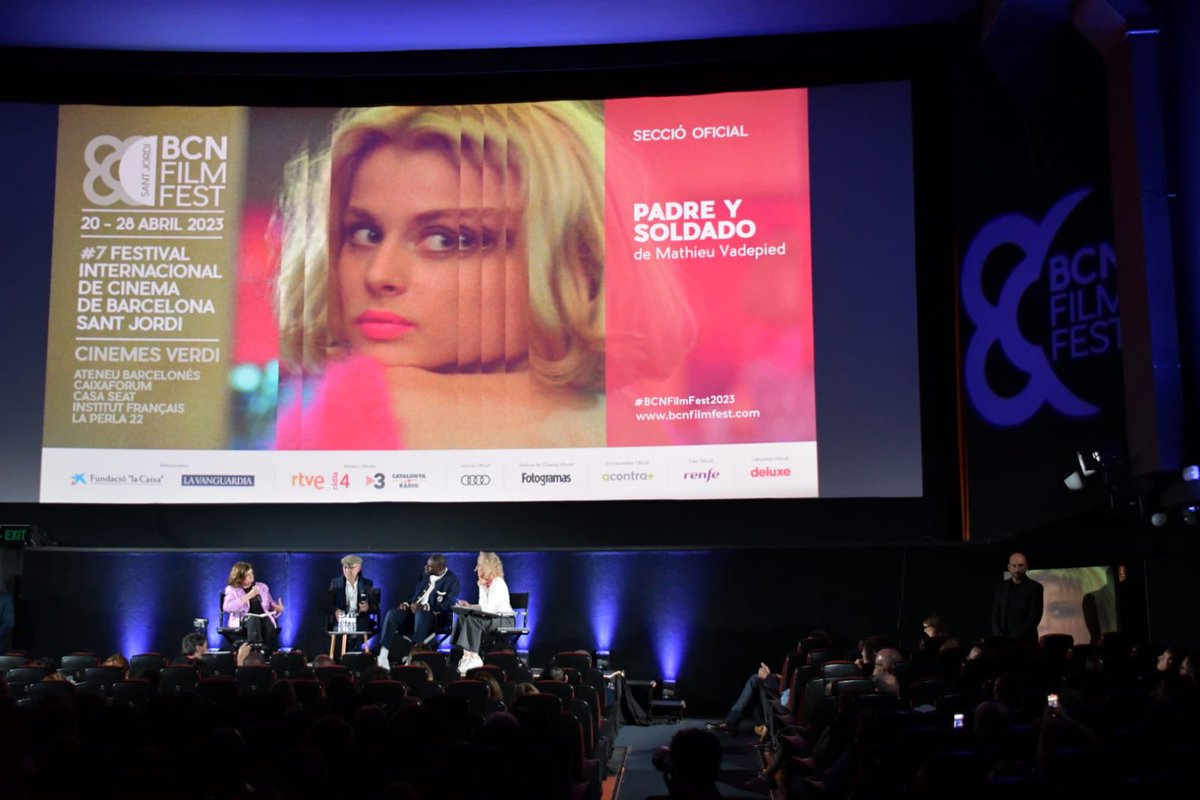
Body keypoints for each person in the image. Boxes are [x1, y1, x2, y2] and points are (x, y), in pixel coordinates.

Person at [275, 102, 608, 451]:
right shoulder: (642, 434)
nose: (379, 274)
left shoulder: (357, 406)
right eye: (365, 233)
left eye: (447, 239)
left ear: (575, 258)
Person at [378, 553, 461, 667]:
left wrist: (425, 607)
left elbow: (449, 605)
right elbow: (415, 597)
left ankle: (414, 656)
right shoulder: (425, 576)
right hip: (415, 613)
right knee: (393, 614)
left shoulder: (452, 581)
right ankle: (383, 655)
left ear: (441, 568)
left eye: (430, 566)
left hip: (435, 618)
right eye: (427, 565)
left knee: (421, 613)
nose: (426, 568)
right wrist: (407, 604)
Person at [452, 552, 514, 675]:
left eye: (479, 565)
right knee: (464, 616)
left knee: (473, 620)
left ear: (487, 566)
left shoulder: (498, 583)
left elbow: (488, 610)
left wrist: (482, 589)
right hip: (492, 617)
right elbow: (483, 607)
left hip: (504, 619)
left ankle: (474, 657)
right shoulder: (486, 584)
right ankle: (466, 655)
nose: (476, 568)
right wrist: (469, 607)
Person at [706, 661, 785, 737]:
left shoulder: (795, 665)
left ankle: (732, 723)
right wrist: (772, 676)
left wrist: (768, 677)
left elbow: (788, 688)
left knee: (755, 680)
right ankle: (732, 723)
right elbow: (787, 681)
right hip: (782, 695)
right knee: (756, 681)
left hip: (785, 703)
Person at [223, 561, 285, 654]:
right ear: (239, 576)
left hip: (262, 618)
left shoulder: (262, 587)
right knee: (253, 619)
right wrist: (249, 595)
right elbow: (227, 607)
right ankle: (255, 651)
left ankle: (269, 652)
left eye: (251, 573)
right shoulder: (232, 589)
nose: (251, 576)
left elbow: (271, 605)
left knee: (267, 622)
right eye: (247, 574)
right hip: (243, 620)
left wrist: (277, 609)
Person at [328, 554, 378, 653]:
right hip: (342, 618)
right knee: (340, 629)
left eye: (351, 568)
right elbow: (328, 604)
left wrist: (367, 607)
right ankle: (342, 657)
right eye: (345, 567)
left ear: (358, 568)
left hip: (360, 618)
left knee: (360, 625)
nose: (347, 571)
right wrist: (336, 610)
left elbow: (375, 606)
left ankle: (355, 655)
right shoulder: (335, 583)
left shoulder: (367, 584)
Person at [991, 551, 1043, 643]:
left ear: (1026, 566)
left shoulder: (1035, 588)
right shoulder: (1001, 587)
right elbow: (995, 613)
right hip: (1002, 642)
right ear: (1009, 567)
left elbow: (1034, 618)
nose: (1017, 569)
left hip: (1026, 642)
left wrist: (1013, 638)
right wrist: (998, 634)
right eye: (1014, 566)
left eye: (1020, 565)